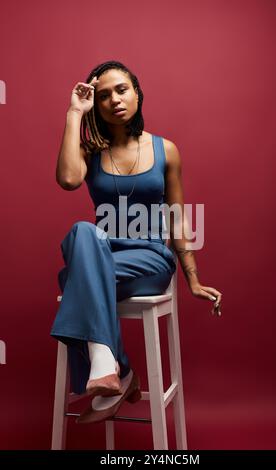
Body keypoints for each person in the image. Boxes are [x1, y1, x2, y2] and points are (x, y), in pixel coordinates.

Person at [50, 60, 222, 424]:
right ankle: (112, 368)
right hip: (102, 252)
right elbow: (67, 179)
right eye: (103, 96)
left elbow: (177, 216)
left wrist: (191, 277)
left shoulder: (166, 150)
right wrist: (73, 113)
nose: (114, 100)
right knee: (84, 231)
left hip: (150, 258)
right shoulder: (90, 150)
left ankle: (115, 368)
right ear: (95, 106)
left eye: (122, 90)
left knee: (72, 280)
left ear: (137, 93)